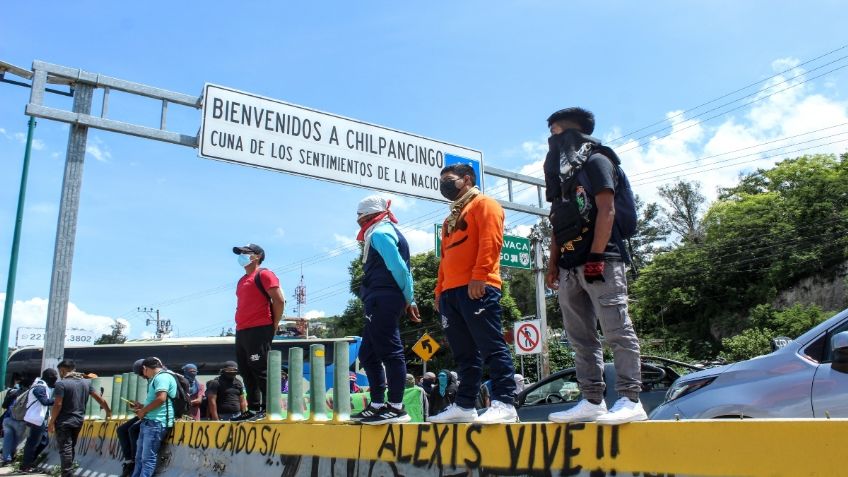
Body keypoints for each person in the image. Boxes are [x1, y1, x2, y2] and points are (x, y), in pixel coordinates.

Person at [543, 107, 646, 425]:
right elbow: (559, 221)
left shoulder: (598, 160)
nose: (552, 139)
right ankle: (592, 400)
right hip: (569, 267)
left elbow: (607, 210)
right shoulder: (564, 175)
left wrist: (596, 258)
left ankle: (630, 399)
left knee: (616, 330)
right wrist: (553, 264)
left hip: (601, 261)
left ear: (574, 132)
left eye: (557, 131)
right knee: (580, 338)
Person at [429, 163, 518, 424]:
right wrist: (439, 291)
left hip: (477, 286)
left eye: (449, 179)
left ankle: (505, 402)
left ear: (467, 179)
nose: (444, 184)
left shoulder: (485, 204)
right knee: (463, 353)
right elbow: (445, 258)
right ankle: (465, 405)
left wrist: (480, 275)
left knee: (491, 345)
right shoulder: (449, 219)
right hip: (451, 293)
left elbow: (491, 241)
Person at [349, 195, 421, 425]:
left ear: (370, 215)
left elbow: (399, 268)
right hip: (380, 297)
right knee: (367, 354)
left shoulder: (380, 233)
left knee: (391, 351)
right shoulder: (380, 231)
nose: (359, 222)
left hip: (384, 297)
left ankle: (396, 407)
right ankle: (377, 404)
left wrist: (410, 299)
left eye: (361, 217)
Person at [231, 243, 285, 421]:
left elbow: (279, 300)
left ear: (257, 256)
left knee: (260, 369)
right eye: (240, 253)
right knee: (246, 370)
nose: (242, 256)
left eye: (245, 253)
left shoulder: (264, 274)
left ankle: (269, 408)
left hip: (260, 328)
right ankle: (253, 409)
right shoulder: (241, 280)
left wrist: (274, 324)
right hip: (242, 330)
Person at [48, 360, 112, 477]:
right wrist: (108, 411)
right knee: (70, 446)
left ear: (62, 370)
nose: (59, 374)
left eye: (59, 371)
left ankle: (67, 473)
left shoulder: (61, 384)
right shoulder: (86, 383)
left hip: (63, 421)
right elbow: (99, 399)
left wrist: (51, 421)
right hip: (78, 421)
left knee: (65, 448)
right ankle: (68, 471)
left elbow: (58, 404)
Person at [130, 357, 176, 477]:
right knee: (139, 458)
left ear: (145, 368)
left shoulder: (162, 377)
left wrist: (143, 411)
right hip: (149, 422)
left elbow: (161, 398)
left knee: (147, 459)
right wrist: (142, 406)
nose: (143, 376)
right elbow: (157, 400)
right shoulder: (156, 378)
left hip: (157, 423)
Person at [19, 368, 57, 473]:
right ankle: (26, 466)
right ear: (50, 377)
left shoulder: (42, 385)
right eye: (54, 378)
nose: (55, 380)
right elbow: (44, 402)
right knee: (32, 443)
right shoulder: (39, 387)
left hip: (39, 419)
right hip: (35, 419)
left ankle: (29, 462)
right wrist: (58, 400)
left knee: (44, 441)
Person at [1, 375, 29, 465]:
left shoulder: (12, 392)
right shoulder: (30, 394)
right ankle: (12, 456)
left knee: (7, 439)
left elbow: (4, 406)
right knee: (16, 441)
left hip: (8, 419)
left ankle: (6, 458)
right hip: (21, 421)